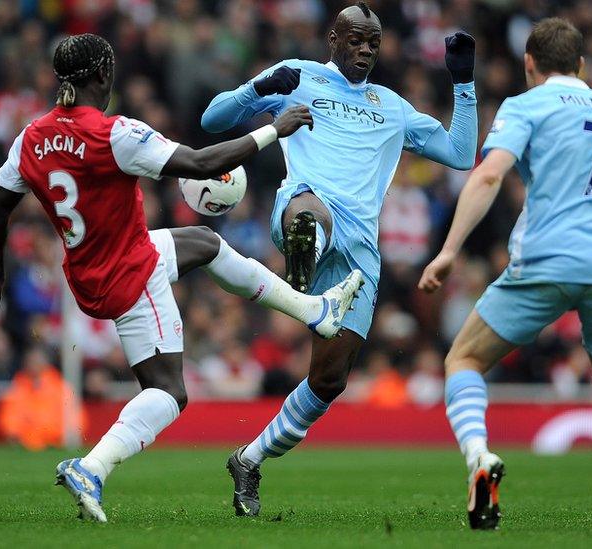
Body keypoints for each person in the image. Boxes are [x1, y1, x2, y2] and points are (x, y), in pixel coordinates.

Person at [0, 33, 363, 523]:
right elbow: (200, 164)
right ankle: (92, 467)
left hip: (90, 268)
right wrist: (271, 131)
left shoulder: (31, 137)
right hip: (130, 272)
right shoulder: (114, 134)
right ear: (104, 77)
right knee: (168, 392)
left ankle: (315, 310)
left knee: (205, 244)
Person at [417, 18, 592, 531]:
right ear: (583, 66)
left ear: (530, 65)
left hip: (548, 257)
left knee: (463, 358)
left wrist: (448, 250)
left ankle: (480, 458)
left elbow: (488, 174)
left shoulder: (527, 105)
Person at [201, 2, 478, 516]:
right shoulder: (298, 76)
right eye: (356, 39)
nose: (367, 49)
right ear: (333, 39)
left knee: (329, 382)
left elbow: (462, 154)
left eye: (374, 42)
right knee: (310, 216)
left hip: (361, 251)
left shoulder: (391, 106)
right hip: (308, 203)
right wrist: (258, 91)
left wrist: (462, 82)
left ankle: (249, 459)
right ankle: (303, 255)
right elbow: (212, 118)